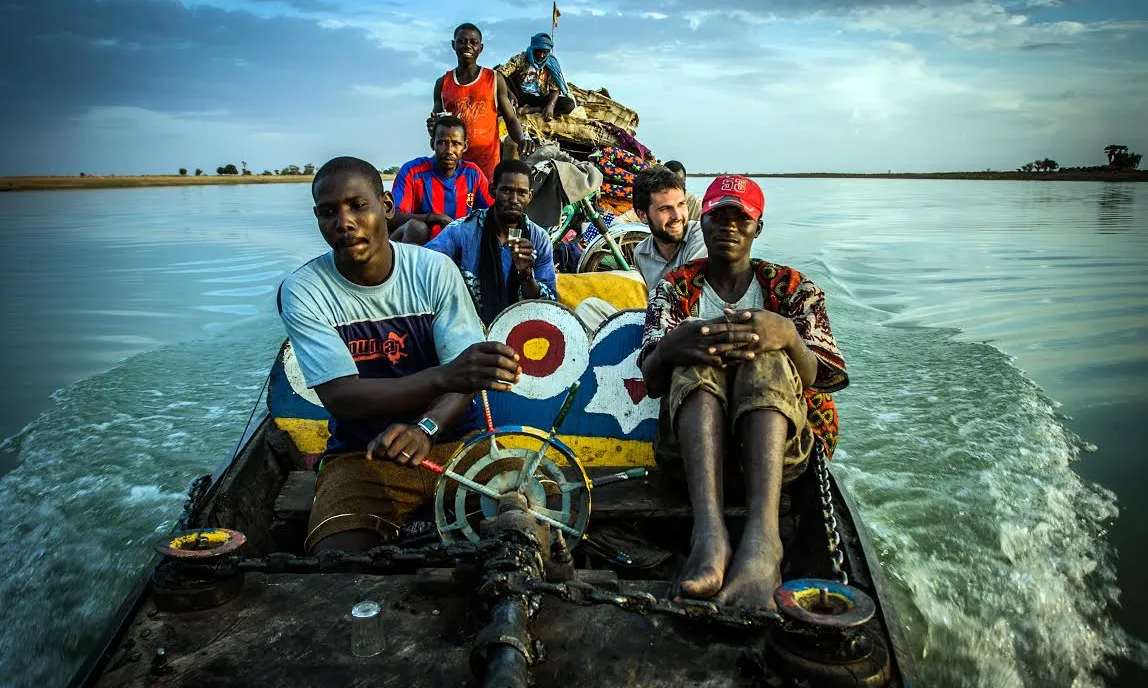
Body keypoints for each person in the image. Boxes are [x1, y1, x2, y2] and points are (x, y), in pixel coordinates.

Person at [277, 156, 523, 553]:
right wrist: (444, 376)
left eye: (358, 205)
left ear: (386, 207)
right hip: (364, 454)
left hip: (458, 441)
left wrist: (426, 428)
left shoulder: (434, 269)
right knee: (335, 563)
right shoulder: (304, 290)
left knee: (535, 522)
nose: (344, 222)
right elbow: (342, 398)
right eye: (328, 212)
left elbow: (467, 377)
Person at [639, 175, 848, 610]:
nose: (728, 227)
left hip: (778, 457)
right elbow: (653, 380)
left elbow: (821, 378)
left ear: (757, 227)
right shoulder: (674, 289)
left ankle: (763, 542)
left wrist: (788, 336)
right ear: (705, 220)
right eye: (718, 216)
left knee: (767, 358)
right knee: (694, 355)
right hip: (692, 457)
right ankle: (709, 534)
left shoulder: (794, 290)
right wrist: (671, 348)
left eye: (741, 218)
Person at [427, 159, 557, 325]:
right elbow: (426, 265)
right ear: (492, 190)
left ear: (530, 196)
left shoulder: (539, 239)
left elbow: (550, 304)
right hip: (467, 326)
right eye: (507, 191)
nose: (514, 199)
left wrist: (526, 275)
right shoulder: (463, 231)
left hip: (519, 329)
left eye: (522, 193)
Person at [432, 23, 535, 183]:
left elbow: (511, 119)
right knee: (456, 207)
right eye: (462, 41)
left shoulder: (494, 79)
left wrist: (522, 140)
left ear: (481, 48)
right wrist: (433, 126)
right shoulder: (443, 83)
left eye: (473, 42)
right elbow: (437, 126)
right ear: (454, 45)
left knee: (485, 205)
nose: (468, 45)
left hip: (487, 167)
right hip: (454, 167)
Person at [390, 115, 492, 245]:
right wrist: (434, 218)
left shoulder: (472, 174)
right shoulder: (413, 171)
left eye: (456, 144)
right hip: (420, 248)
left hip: (456, 246)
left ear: (465, 147)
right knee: (417, 228)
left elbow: (491, 212)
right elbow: (391, 216)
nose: (449, 150)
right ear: (432, 144)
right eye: (442, 143)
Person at [630, 166, 707, 288]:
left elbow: (686, 295)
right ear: (642, 215)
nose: (677, 216)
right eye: (665, 208)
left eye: (681, 204)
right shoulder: (641, 253)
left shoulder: (702, 238)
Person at [498, 33, 576, 121]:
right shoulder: (522, 58)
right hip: (519, 95)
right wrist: (509, 93)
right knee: (497, 72)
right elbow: (500, 73)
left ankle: (532, 110)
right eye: (539, 51)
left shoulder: (550, 64)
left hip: (538, 98)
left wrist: (551, 105)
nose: (541, 55)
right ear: (533, 49)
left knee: (569, 104)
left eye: (545, 52)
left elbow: (555, 89)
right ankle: (521, 108)